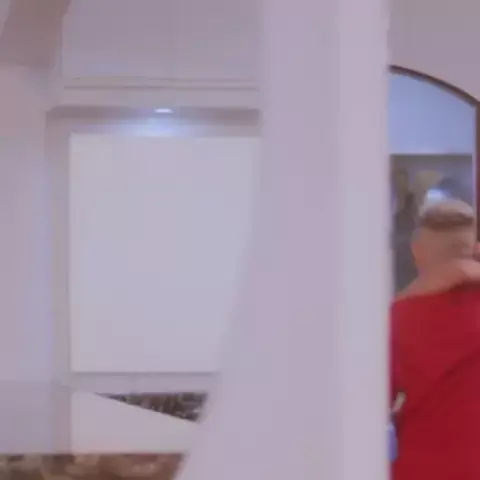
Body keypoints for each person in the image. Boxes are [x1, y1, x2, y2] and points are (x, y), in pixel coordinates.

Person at [390, 198, 480, 479]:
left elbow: (365, 404)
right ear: (474, 249)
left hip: (421, 469)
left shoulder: (399, 318)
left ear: (417, 252)